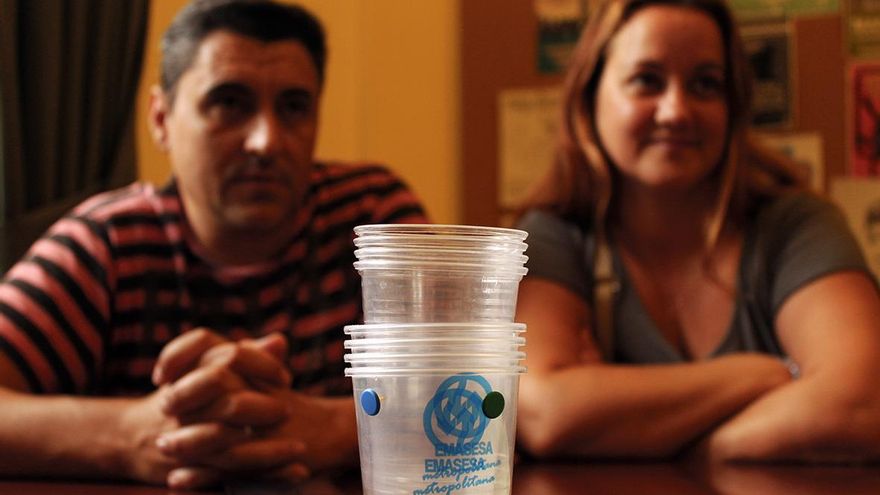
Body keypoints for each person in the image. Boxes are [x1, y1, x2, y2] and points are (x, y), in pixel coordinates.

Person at [0, 0, 427, 489]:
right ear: (161, 119)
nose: (266, 141)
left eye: (293, 107)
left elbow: (478, 389)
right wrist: (133, 435)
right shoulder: (106, 244)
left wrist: (336, 427)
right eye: (229, 103)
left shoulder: (372, 221)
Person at [515, 0, 880, 464]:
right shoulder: (555, 236)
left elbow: (862, 404)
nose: (676, 111)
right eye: (647, 80)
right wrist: (758, 375)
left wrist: (676, 445)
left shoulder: (796, 227)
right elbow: (541, 411)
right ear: (590, 96)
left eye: (705, 84)